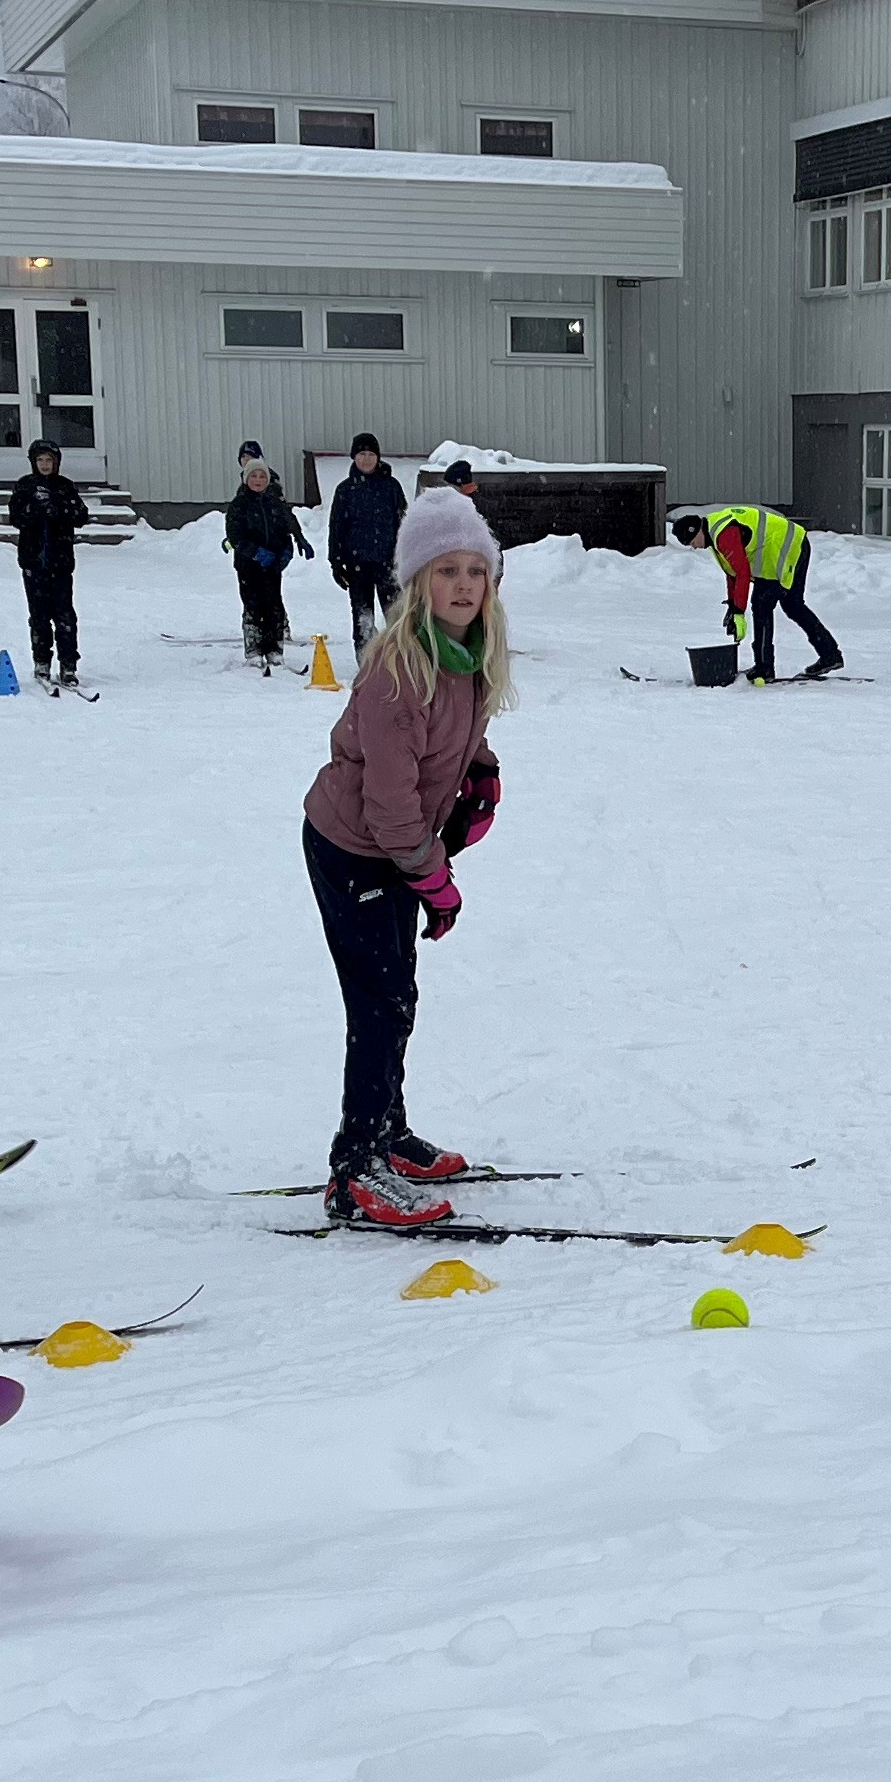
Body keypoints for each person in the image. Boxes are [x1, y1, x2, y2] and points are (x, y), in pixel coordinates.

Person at [300, 486, 509, 1229]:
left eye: (473, 570)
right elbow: (389, 809)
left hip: (395, 846)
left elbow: (454, 738)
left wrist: (479, 771)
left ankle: (388, 1131)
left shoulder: (467, 657)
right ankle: (354, 1167)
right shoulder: (398, 670)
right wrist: (437, 883)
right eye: (445, 571)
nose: (462, 586)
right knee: (378, 1005)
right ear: (418, 584)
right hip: (353, 847)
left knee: (398, 998)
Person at [669, 503, 843, 682]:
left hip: (788, 548)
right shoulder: (714, 532)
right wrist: (733, 607)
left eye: (691, 542)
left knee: (762, 605)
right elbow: (733, 573)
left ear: (696, 531)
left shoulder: (723, 534)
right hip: (788, 547)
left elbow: (743, 573)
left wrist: (739, 611)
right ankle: (830, 655)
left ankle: (764, 668)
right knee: (793, 606)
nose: (695, 547)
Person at [223, 442, 314, 664]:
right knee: (252, 605)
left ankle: (274, 648)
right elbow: (236, 535)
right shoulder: (239, 504)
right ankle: (254, 649)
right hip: (248, 564)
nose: (258, 480)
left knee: (274, 605)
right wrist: (254, 552)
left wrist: (287, 551)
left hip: (272, 563)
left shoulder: (275, 501)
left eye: (261, 476)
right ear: (246, 479)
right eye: (253, 476)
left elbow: (285, 527)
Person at [7, 438, 88, 684]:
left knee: (64, 615)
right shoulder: (25, 486)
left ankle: (68, 664)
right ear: (33, 462)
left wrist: (58, 510)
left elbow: (80, 515)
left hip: (61, 562)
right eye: (40, 460)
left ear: (56, 463)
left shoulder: (64, 487)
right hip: (34, 562)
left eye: (49, 461)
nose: (44, 465)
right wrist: (36, 511)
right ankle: (41, 661)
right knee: (39, 615)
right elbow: (16, 517)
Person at [326, 431, 406, 657]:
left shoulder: (391, 487)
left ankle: (399, 659)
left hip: (387, 563)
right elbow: (336, 528)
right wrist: (336, 561)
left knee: (396, 616)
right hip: (357, 565)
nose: (367, 458)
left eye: (371, 453)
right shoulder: (345, 490)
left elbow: (404, 523)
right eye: (362, 453)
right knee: (363, 618)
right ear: (354, 457)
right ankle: (366, 662)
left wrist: (406, 557)